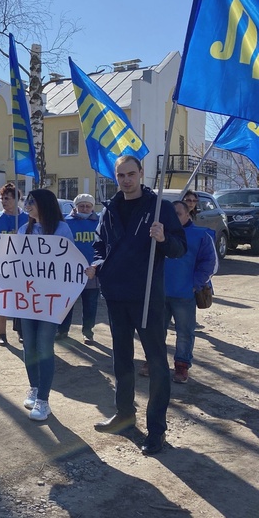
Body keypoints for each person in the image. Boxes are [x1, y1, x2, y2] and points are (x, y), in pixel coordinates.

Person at [87, 155, 186, 455]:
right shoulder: (111, 209)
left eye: (131, 174)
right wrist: (97, 264)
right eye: (121, 175)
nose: (126, 180)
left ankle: (156, 430)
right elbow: (98, 244)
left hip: (147, 299)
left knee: (157, 364)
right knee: (121, 360)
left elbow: (179, 249)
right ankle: (125, 414)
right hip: (116, 295)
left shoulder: (160, 208)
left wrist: (164, 237)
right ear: (115, 177)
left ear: (142, 174)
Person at [17, 189, 74, 421]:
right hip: (27, 298)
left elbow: (69, 262)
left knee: (43, 346)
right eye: (27, 202)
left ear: (44, 205)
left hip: (51, 300)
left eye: (31, 202)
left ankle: (44, 400)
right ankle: (34, 387)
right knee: (29, 345)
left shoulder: (62, 230)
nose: (27, 205)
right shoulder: (23, 230)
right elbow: (11, 262)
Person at [164, 200, 217, 384]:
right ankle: (153, 361)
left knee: (185, 332)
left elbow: (209, 263)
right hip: (159, 292)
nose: (174, 217)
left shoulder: (200, 235)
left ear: (188, 214)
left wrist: (194, 284)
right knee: (155, 331)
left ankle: (182, 365)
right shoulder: (159, 234)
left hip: (184, 294)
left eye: (178, 213)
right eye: (171, 214)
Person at [57, 193, 100, 344]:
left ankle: (88, 332)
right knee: (67, 303)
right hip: (70, 271)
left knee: (90, 304)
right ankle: (62, 330)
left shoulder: (99, 222)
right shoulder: (65, 222)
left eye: (88, 206)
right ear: (75, 207)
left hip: (92, 271)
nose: (84, 208)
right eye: (81, 205)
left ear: (92, 207)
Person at [0, 182, 28, 346]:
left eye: (7, 198)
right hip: (3, 266)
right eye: (2, 199)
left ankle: (21, 331)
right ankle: (2, 333)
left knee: (22, 299)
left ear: (16, 199)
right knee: (2, 299)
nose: (4, 201)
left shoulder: (27, 218)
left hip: (23, 267)